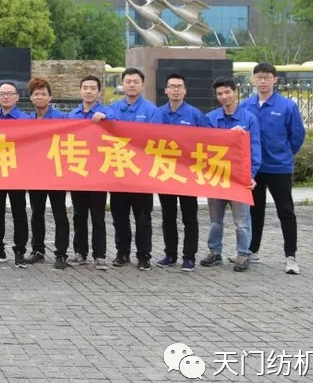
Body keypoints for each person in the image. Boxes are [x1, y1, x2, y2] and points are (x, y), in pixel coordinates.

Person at [239, 62, 306, 274]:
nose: (263, 81)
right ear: (254, 80)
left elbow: (297, 135)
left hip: (279, 167)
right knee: (254, 211)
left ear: (274, 80)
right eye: (259, 77)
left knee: (285, 211)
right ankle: (252, 250)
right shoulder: (245, 105)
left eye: (267, 77)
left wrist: (284, 153)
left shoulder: (287, 106)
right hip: (255, 169)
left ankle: (290, 256)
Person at [148, 72, 209, 272]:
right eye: (172, 86)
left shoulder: (195, 115)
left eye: (179, 87)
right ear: (166, 90)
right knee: (168, 216)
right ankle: (170, 254)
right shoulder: (157, 114)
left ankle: (189, 256)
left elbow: (209, 141)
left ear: (185, 91)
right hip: (165, 173)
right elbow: (148, 140)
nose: (176, 90)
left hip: (188, 175)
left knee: (189, 217)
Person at [202, 76, 261, 273]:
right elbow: (206, 146)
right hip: (217, 176)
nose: (224, 96)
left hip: (238, 178)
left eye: (227, 92)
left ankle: (243, 254)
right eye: (219, 93)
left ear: (235, 92)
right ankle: (214, 252)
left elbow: (254, 149)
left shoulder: (249, 119)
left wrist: (251, 175)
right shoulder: (211, 119)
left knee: (241, 221)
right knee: (215, 221)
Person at [106, 67, 158, 271]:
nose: (131, 85)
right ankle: (122, 253)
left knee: (143, 218)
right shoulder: (112, 109)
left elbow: (156, 141)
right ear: (122, 84)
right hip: (118, 172)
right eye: (128, 81)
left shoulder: (151, 111)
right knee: (119, 217)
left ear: (142, 85)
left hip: (142, 175)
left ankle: (144, 255)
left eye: (136, 82)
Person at [23, 77, 71, 270]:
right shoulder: (26, 120)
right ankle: (37, 250)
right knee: (37, 213)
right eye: (36, 94)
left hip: (56, 173)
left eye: (43, 94)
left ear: (50, 97)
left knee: (60, 213)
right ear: (31, 98)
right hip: (35, 174)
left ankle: (61, 253)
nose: (40, 97)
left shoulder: (61, 118)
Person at [66, 75, 112, 269]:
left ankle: (100, 255)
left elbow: (118, 131)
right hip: (78, 171)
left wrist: (106, 121)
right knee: (79, 215)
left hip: (98, 172)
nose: (88, 91)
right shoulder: (72, 115)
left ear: (99, 92)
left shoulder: (107, 113)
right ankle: (80, 252)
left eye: (93, 88)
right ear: (80, 91)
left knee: (98, 215)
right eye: (85, 87)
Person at [0, 82, 30, 267]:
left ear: (17, 97)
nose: (6, 97)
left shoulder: (25, 120)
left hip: (17, 172)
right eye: (2, 94)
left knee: (19, 213)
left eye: (10, 93)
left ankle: (20, 251)